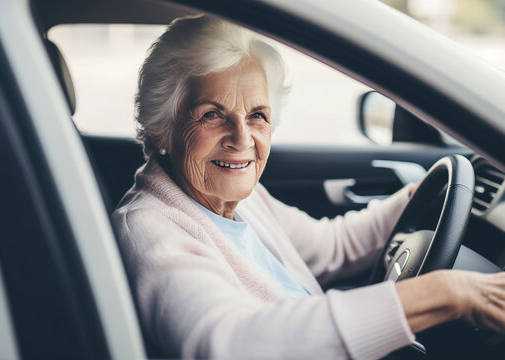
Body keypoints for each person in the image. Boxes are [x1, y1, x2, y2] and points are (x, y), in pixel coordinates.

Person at [112, 15, 505, 359]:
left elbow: (331, 246)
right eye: (212, 114)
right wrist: (443, 293)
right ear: (161, 125)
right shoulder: (148, 228)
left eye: (257, 115)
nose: (242, 138)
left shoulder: (237, 199)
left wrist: (416, 199)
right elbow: (228, 343)